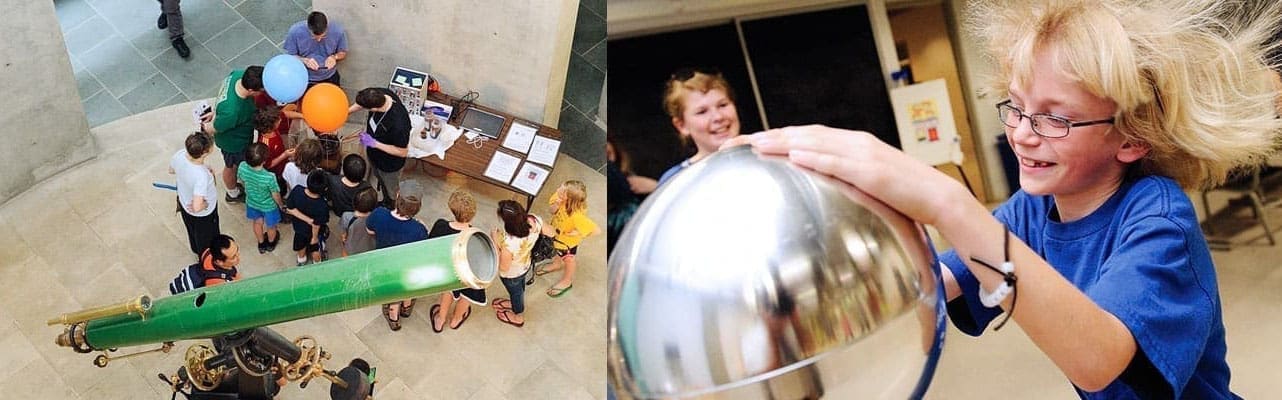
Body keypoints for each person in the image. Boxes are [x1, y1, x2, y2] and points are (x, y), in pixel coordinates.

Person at [733, 0, 1282, 396]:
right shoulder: (1035, 209)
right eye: (1017, 106)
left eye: (1053, 117)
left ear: (1132, 138)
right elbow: (928, 287)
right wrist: (803, 309)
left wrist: (948, 203)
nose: (1021, 132)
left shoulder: (1157, 218)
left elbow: (1102, 362)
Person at [657, 68, 741, 185]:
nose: (718, 117)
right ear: (682, 126)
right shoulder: (675, 181)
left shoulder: (767, 152)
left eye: (722, 105)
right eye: (702, 112)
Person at [365, 180, 428, 331]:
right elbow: (421, 250)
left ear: (398, 196)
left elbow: (370, 231)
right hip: (406, 268)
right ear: (418, 207)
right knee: (407, 287)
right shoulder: (419, 229)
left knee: (393, 294)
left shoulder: (379, 214)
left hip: (384, 265)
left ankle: (394, 318)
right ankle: (406, 307)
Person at [201, 66, 265, 204]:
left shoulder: (237, 75)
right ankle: (232, 193)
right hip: (234, 144)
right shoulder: (232, 111)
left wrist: (217, 113)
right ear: (250, 90)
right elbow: (213, 128)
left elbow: (222, 97)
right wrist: (214, 122)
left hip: (238, 133)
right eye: (260, 91)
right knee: (231, 167)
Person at [428, 190, 481, 332]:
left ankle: (440, 319)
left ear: (452, 209)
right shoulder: (475, 234)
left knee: (448, 291)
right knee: (469, 293)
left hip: (448, 271)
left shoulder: (441, 225)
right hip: (468, 274)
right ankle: (456, 319)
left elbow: (430, 245)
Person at [351, 87, 411, 208]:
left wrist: (374, 143)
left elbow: (402, 152)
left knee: (391, 189)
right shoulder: (379, 94)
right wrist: (345, 112)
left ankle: (391, 205)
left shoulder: (399, 124)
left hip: (389, 165)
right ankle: (384, 195)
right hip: (374, 155)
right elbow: (360, 104)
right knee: (379, 176)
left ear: (373, 108)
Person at [536, 180, 597, 298]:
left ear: (569, 199)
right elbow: (552, 211)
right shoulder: (559, 198)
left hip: (567, 244)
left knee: (569, 260)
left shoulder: (577, 216)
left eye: (562, 191)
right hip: (556, 236)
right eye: (560, 186)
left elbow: (595, 230)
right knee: (555, 251)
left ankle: (567, 281)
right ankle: (557, 264)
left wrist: (578, 232)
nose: (558, 189)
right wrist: (556, 205)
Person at [491, 200, 542, 328]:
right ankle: (515, 302)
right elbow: (551, 232)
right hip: (525, 264)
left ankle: (518, 316)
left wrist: (495, 241)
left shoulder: (509, 244)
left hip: (511, 274)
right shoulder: (535, 220)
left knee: (516, 293)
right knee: (519, 289)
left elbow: (503, 266)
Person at [169, 132, 220, 257]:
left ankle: (196, 248)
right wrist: (205, 204)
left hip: (184, 202)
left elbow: (171, 170)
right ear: (205, 152)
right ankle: (206, 259)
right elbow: (197, 207)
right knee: (206, 238)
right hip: (204, 214)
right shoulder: (201, 176)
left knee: (192, 230)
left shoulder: (180, 155)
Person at [236, 143, 284, 254]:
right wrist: (281, 204)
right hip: (269, 206)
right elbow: (275, 194)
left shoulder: (242, 166)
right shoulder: (269, 177)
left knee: (257, 222)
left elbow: (241, 181)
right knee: (271, 226)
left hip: (252, 202)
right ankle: (271, 243)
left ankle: (261, 243)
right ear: (264, 161)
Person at [283, 11, 348, 86]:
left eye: (323, 36)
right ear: (308, 28)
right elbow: (290, 56)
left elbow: (343, 52)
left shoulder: (338, 31)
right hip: (304, 77)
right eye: (314, 37)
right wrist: (305, 61)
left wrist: (334, 57)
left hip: (330, 76)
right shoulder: (295, 32)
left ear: (327, 27)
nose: (319, 40)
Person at [285, 170, 330, 266]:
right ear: (324, 189)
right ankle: (317, 263)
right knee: (315, 250)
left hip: (299, 229)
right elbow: (316, 224)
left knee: (301, 247)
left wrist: (307, 220)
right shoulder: (322, 205)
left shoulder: (297, 190)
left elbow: (290, 208)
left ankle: (301, 261)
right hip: (314, 233)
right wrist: (314, 238)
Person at [327, 154, 372, 230]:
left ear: (343, 170)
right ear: (363, 174)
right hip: (355, 211)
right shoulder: (366, 187)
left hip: (338, 210)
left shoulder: (333, 180)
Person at [342, 187, 379, 257]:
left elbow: (344, 234)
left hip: (351, 248)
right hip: (370, 248)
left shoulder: (347, 216)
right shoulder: (376, 218)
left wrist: (344, 237)